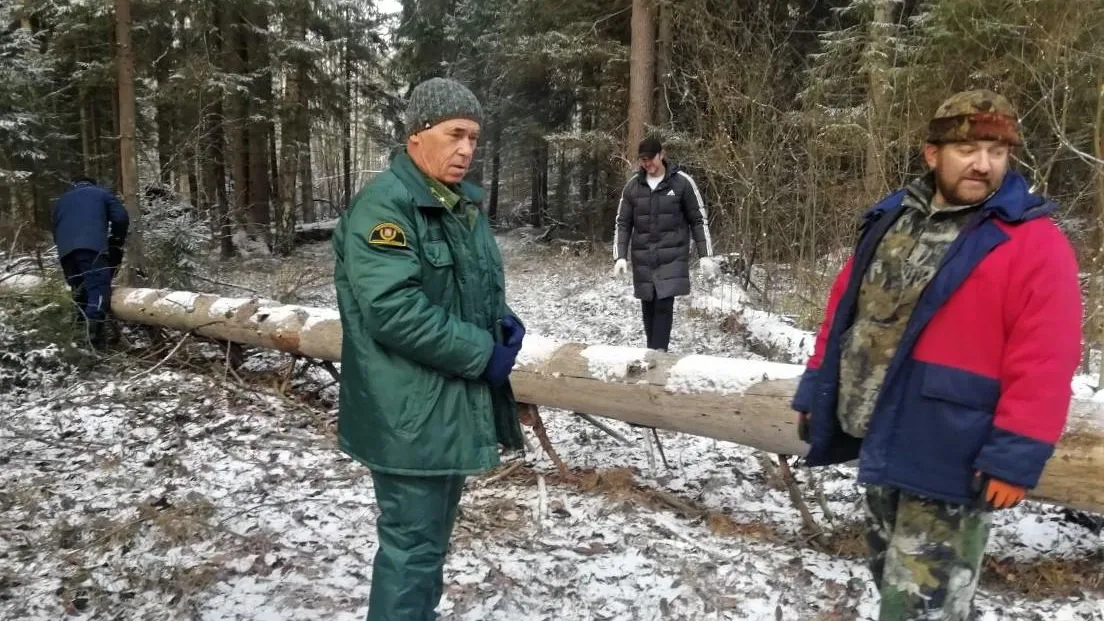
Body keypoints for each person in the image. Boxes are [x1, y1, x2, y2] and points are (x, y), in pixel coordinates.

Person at [792, 90, 1081, 620]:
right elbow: (843, 311)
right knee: (896, 587)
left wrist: (1014, 456)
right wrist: (817, 390)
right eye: (968, 148)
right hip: (880, 432)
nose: (982, 163)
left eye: (996, 152)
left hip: (954, 446)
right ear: (932, 154)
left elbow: (1046, 359)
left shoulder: (1033, 243)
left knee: (924, 605)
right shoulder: (894, 220)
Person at [331, 77, 526, 621]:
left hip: (444, 409)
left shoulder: (457, 204)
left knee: (428, 548)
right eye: (455, 134)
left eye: (474, 139)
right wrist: (480, 352)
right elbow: (392, 311)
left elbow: (465, 288)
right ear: (417, 135)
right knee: (412, 549)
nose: (467, 149)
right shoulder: (385, 209)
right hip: (408, 414)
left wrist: (503, 323)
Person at [613, 137, 718, 352]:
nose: (647, 164)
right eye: (642, 160)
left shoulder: (682, 183)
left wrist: (705, 255)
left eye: (650, 159)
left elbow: (698, 219)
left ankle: (657, 355)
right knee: (648, 306)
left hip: (672, 257)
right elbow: (622, 223)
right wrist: (620, 256)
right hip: (643, 258)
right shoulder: (633, 186)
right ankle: (653, 353)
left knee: (663, 304)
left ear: (662, 155)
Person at [50, 176, 129, 348]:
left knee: (79, 293)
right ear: (93, 184)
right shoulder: (101, 194)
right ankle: (91, 340)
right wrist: (116, 241)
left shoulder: (62, 201)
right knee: (98, 289)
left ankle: (77, 339)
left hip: (66, 252)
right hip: (91, 248)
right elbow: (121, 218)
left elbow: (55, 229)